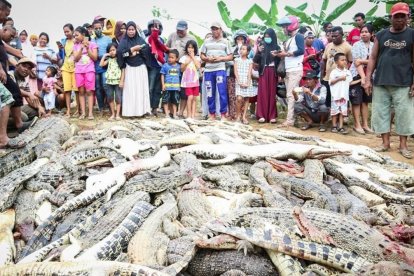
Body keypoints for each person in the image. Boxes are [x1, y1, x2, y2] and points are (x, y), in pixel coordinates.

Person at [365, 2, 414, 159]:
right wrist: (367, 79)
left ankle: (403, 146)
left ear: (408, 17)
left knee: (404, 114)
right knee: (381, 112)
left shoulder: (412, 34)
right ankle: (385, 144)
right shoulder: (381, 34)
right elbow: (372, 57)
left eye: (402, 16)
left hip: (403, 81)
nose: (399, 19)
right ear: (391, 18)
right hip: (381, 81)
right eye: (396, 16)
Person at [117, 21, 150, 117]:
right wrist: (132, 50)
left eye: (133, 30)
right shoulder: (124, 42)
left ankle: (142, 111)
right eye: (129, 30)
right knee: (130, 90)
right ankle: (130, 113)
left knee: (140, 89)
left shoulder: (140, 40)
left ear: (135, 30)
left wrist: (138, 52)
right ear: (126, 30)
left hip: (140, 68)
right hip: (129, 68)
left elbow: (146, 51)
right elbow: (120, 54)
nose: (131, 32)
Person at [200, 21, 233, 120]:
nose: (214, 31)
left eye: (216, 29)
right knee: (210, 92)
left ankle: (223, 114)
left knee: (222, 91)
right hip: (209, 70)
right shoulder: (206, 41)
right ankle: (212, 114)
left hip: (220, 69)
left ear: (220, 30)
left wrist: (221, 59)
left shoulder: (225, 42)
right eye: (213, 29)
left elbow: (231, 56)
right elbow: (202, 55)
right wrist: (207, 59)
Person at [277, 16, 305, 127]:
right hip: (289, 70)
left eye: (285, 27)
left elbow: (301, 50)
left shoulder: (298, 36)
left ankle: (290, 120)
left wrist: (286, 54)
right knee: (293, 95)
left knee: (290, 95)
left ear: (291, 25)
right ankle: (295, 118)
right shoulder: (289, 39)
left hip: (295, 69)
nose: (283, 29)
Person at [166, 20, 196, 118]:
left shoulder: (191, 38)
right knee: (172, 88)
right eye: (178, 30)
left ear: (186, 29)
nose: (179, 32)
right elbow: (166, 48)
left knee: (183, 91)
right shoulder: (172, 36)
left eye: (182, 30)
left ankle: (181, 112)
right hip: (172, 66)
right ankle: (171, 111)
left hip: (185, 67)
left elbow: (195, 53)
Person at [349, 24, 374, 135]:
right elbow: (356, 62)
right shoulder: (356, 45)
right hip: (357, 75)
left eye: (366, 32)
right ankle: (357, 125)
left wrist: (364, 62)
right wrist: (363, 78)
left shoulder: (374, 45)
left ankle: (365, 124)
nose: (363, 33)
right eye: (362, 32)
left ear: (371, 34)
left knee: (365, 101)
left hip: (370, 76)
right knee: (356, 101)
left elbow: (376, 61)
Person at [321, 26, 352, 108]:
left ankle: (343, 116)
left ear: (342, 35)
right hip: (328, 78)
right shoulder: (328, 45)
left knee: (341, 98)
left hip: (341, 79)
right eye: (332, 36)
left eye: (336, 36)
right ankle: (332, 116)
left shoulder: (347, 47)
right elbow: (324, 60)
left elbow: (351, 62)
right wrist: (322, 75)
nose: (333, 38)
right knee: (329, 98)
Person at [253, 28, 280, 124]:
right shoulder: (261, 45)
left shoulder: (277, 47)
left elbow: (279, 62)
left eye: (269, 36)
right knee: (263, 93)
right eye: (266, 36)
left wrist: (276, 55)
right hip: (263, 71)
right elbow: (255, 60)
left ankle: (272, 116)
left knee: (272, 94)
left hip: (273, 71)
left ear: (273, 37)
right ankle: (261, 115)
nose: (267, 38)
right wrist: (258, 51)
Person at [73, 26, 98, 120]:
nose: (75, 37)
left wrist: (87, 49)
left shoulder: (92, 44)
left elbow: (95, 58)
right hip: (79, 71)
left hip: (89, 70)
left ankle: (90, 113)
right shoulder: (75, 45)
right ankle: (83, 113)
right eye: (74, 35)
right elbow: (75, 58)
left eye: (77, 35)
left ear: (83, 34)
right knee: (81, 92)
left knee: (89, 91)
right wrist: (81, 48)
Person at [147, 19, 168, 116]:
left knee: (158, 89)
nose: (154, 28)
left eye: (157, 27)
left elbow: (164, 51)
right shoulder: (149, 38)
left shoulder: (162, 39)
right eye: (152, 26)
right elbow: (154, 39)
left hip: (161, 67)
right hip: (152, 66)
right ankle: (148, 108)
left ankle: (155, 108)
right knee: (150, 88)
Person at [92, 20, 112, 115]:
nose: (98, 30)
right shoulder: (92, 40)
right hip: (95, 67)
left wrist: (105, 57)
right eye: (96, 29)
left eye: (99, 28)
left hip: (105, 66)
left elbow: (111, 50)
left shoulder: (108, 39)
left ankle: (109, 106)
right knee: (98, 87)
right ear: (93, 29)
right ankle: (101, 108)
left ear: (102, 28)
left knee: (105, 86)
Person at [58, 23, 78, 117]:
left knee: (76, 89)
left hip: (75, 67)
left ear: (72, 30)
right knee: (67, 90)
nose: (66, 33)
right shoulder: (64, 41)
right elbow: (62, 55)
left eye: (68, 31)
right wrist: (60, 49)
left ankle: (79, 110)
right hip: (65, 67)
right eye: (65, 32)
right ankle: (68, 111)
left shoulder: (77, 40)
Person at [329, 53, 352, 134]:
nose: (344, 61)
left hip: (344, 96)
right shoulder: (334, 72)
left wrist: (360, 81)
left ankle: (341, 126)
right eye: (342, 60)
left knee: (342, 112)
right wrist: (340, 78)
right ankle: (334, 126)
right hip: (336, 95)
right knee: (335, 112)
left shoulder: (348, 72)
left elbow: (349, 82)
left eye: (345, 60)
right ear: (336, 62)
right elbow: (331, 82)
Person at [100, 43, 122, 121]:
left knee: (118, 98)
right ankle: (113, 114)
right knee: (110, 97)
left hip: (118, 81)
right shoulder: (109, 59)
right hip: (109, 81)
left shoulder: (119, 59)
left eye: (113, 50)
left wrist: (122, 81)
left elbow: (123, 69)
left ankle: (118, 115)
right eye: (110, 50)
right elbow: (101, 64)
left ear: (117, 50)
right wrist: (104, 56)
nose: (112, 52)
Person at [180, 40, 200, 119]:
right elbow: (181, 69)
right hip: (187, 82)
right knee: (190, 97)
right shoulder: (184, 58)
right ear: (186, 48)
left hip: (195, 81)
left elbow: (198, 66)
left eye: (192, 47)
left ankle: (193, 115)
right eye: (189, 47)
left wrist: (192, 57)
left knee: (194, 99)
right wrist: (187, 61)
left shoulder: (197, 58)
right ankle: (188, 115)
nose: (190, 49)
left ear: (195, 49)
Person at [234, 44, 254, 125]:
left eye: (244, 49)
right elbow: (235, 71)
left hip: (246, 81)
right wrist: (238, 81)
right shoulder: (236, 60)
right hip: (239, 81)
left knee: (246, 99)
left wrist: (248, 83)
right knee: (239, 98)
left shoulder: (250, 61)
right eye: (241, 49)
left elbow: (249, 73)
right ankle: (238, 116)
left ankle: (244, 116)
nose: (242, 50)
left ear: (248, 52)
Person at [161, 49, 181, 119]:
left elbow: (179, 77)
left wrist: (179, 86)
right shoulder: (165, 66)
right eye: (169, 57)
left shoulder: (179, 67)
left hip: (176, 88)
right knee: (166, 100)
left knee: (175, 101)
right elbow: (162, 75)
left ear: (177, 58)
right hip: (167, 87)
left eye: (172, 57)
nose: (170, 59)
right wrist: (163, 84)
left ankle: (175, 114)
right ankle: (167, 114)